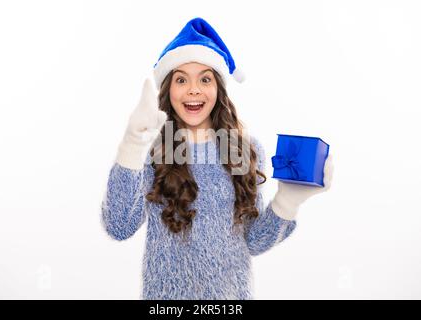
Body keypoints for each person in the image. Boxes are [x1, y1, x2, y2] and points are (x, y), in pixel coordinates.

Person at [101, 17, 334, 300]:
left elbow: (254, 241)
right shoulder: (152, 154)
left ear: (218, 89)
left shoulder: (246, 151)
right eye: (181, 79)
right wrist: (132, 144)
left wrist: (288, 201)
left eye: (205, 79)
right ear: (168, 90)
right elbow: (119, 227)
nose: (194, 90)